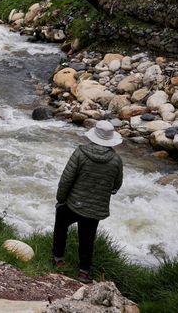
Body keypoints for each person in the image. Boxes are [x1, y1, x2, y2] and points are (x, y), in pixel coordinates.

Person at [52, 120, 123, 284]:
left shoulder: (80, 153)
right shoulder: (116, 160)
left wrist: (60, 200)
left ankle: (58, 260)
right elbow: (116, 185)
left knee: (61, 225)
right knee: (88, 238)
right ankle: (83, 272)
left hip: (73, 203)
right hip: (95, 209)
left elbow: (66, 180)